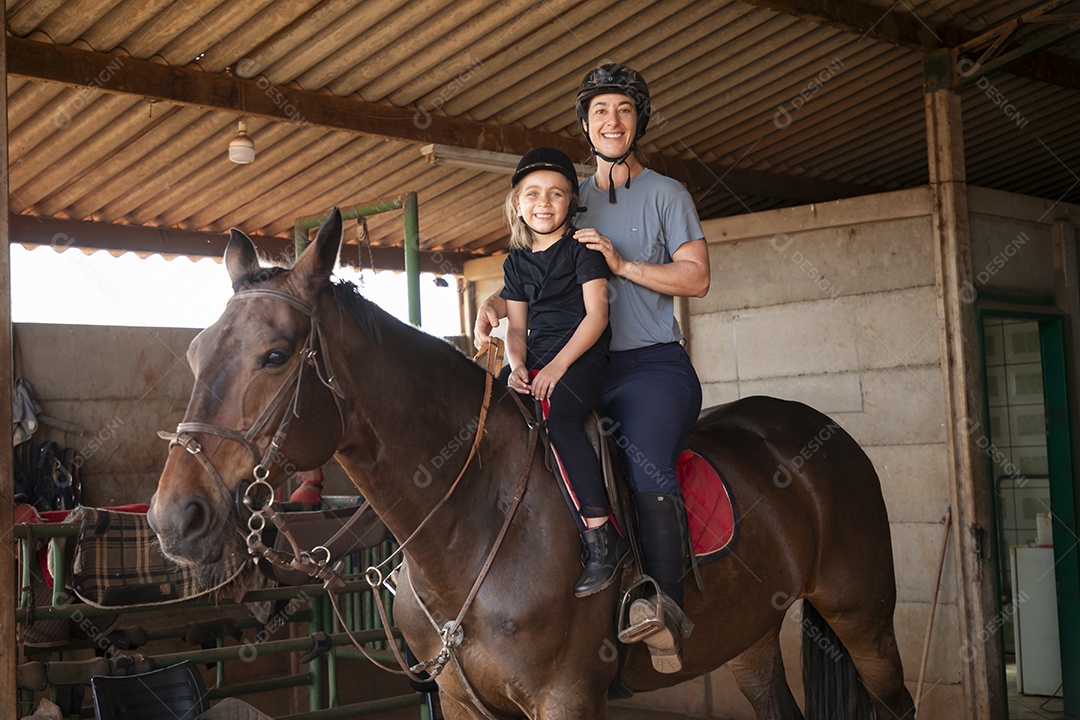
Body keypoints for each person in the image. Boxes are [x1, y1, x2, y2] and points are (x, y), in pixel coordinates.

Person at [475, 64, 710, 673]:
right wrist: (493, 305)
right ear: (586, 124)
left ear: (639, 123)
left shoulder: (667, 194)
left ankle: (662, 610)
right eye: (601, 111)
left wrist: (624, 265)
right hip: (580, 364)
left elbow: (697, 278)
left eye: (624, 111)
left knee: (645, 461)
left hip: (650, 365)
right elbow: (538, 277)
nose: (612, 121)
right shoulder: (562, 195)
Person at [501, 146, 631, 598]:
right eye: (533, 194)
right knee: (497, 410)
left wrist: (557, 366)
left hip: (582, 357)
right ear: (517, 203)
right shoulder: (516, 262)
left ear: (569, 202)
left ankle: (602, 537)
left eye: (556, 194)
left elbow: (597, 317)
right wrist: (517, 366)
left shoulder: (583, 249)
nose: (544, 202)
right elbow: (516, 327)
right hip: (535, 358)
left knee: (559, 421)